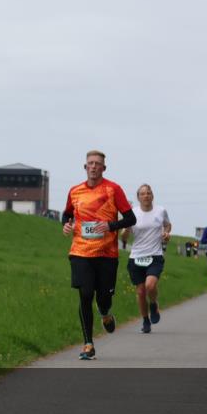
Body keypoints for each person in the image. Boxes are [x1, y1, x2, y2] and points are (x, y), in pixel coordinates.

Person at [62, 150, 136, 360]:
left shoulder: (113, 189)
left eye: (98, 164)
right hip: (80, 251)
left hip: (107, 254)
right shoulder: (75, 191)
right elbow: (67, 214)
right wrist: (65, 225)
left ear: (104, 168)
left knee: (104, 297)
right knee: (85, 294)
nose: (93, 167)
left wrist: (110, 225)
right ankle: (88, 344)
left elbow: (130, 219)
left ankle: (105, 313)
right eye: (90, 163)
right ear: (85, 167)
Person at [121, 184, 171, 333]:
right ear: (138, 197)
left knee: (150, 286)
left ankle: (154, 303)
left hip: (154, 255)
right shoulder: (132, 214)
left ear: (152, 196)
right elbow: (124, 238)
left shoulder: (161, 211)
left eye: (148, 193)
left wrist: (167, 233)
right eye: (142, 194)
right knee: (141, 292)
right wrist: (126, 230)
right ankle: (145, 320)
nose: (146, 196)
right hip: (136, 256)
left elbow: (167, 225)